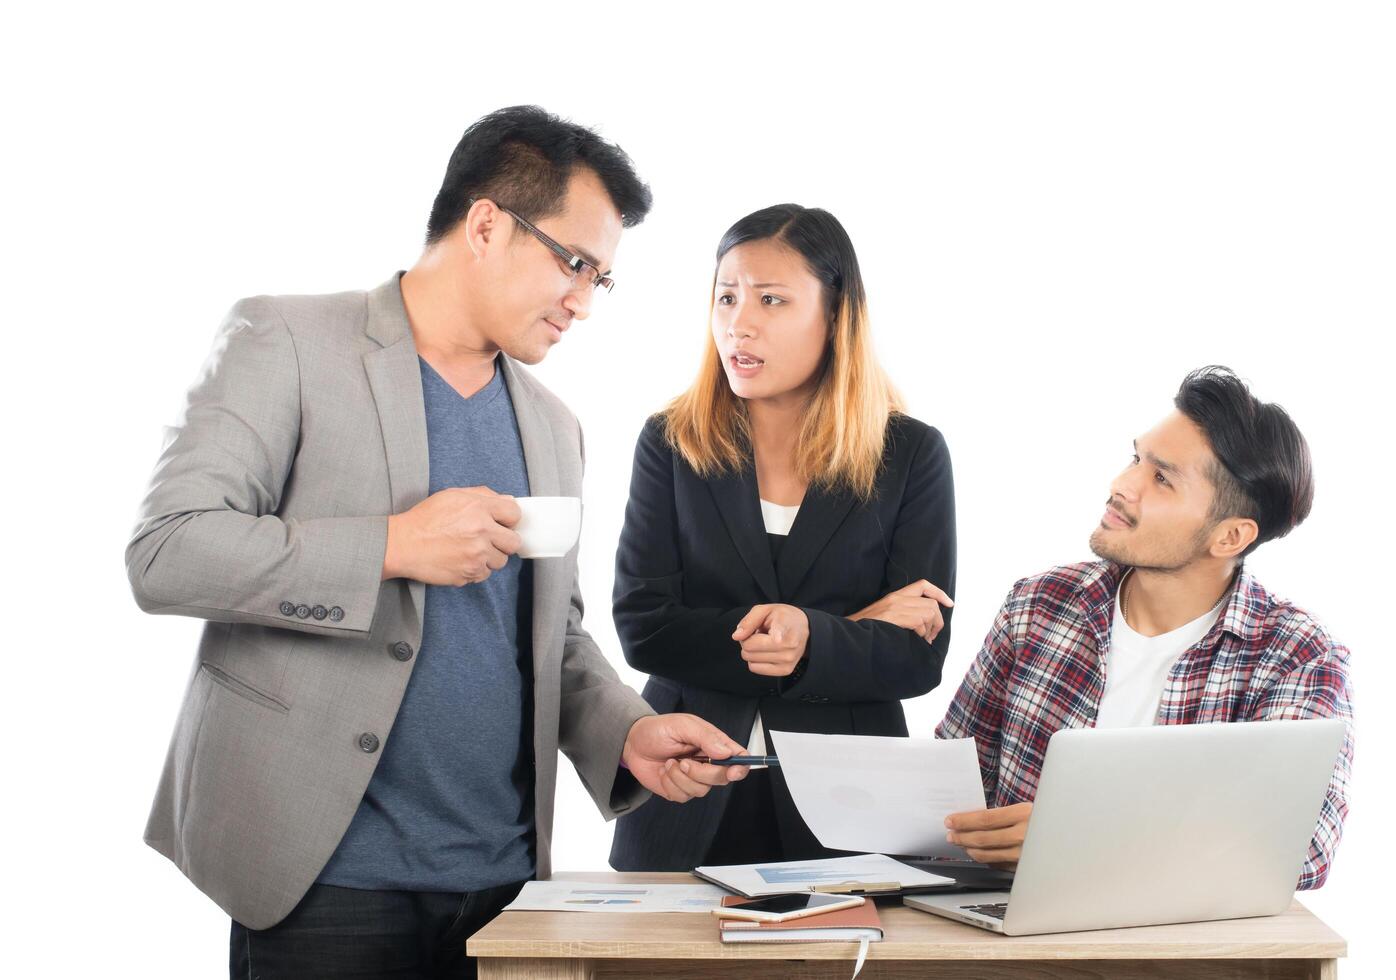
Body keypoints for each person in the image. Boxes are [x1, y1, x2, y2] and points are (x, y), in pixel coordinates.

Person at [125, 106, 749, 979]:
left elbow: (552, 635)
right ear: (487, 223)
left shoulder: (554, 427)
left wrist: (627, 733)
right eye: (574, 262)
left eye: (599, 280)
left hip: (504, 887)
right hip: (323, 880)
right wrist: (390, 545)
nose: (581, 300)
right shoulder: (288, 341)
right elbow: (168, 551)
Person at [609, 204, 958, 872]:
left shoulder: (909, 454)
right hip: (690, 786)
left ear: (835, 315)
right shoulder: (671, 443)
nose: (739, 322)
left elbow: (917, 659)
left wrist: (813, 636)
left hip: (850, 805)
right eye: (727, 297)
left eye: (772, 300)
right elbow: (644, 628)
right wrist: (843, 628)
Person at [936, 366, 1353, 889]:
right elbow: (952, 784)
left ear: (1229, 537)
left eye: (1161, 478)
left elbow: (1303, 849)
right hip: (1009, 935)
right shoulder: (1039, 604)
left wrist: (1078, 837)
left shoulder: (1296, 655)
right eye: (1137, 459)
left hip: (1182, 952)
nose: (1121, 485)